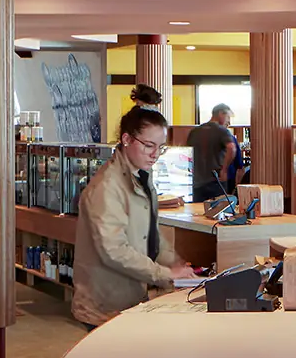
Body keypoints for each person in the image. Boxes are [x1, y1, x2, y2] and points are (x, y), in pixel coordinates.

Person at [72, 106, 187, 326]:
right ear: (126, 139)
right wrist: (165, 273)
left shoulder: (141, 176)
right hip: (105, 305)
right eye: (148, 146)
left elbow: (149, 234)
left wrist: (176, 265)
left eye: (161, 147)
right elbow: (114, 250)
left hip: (131, 299)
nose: (155, 154)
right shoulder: (107, 187)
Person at [189, 103, 237, 204]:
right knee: (218, 210)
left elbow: (188, 153)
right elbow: (231, 148)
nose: (229, 122)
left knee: (197, 210)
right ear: (220, 114)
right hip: (215, 181)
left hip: (196, 182)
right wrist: (224, 170)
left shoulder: (195, 131)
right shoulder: (222, 131)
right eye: (228, 117)